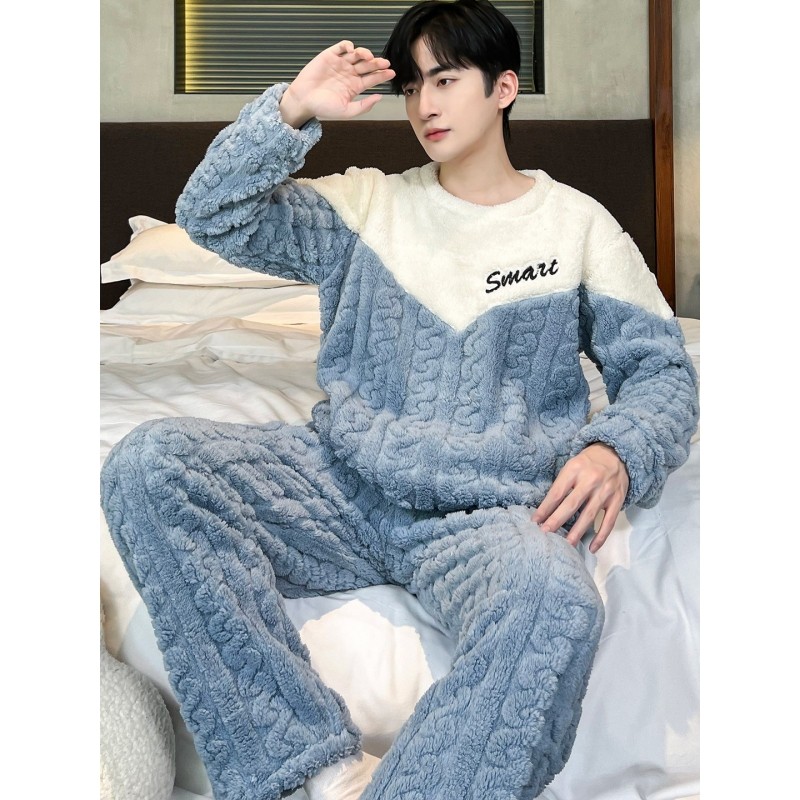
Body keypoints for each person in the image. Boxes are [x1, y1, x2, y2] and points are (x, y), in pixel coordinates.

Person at [100, 1, 699, 798]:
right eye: (413, 85)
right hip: (339, 486)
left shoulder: (577, 225)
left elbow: (661, 369)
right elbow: (211, 215)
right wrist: (292, 109)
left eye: (445, 80)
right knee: (149, 463)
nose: (424, 105)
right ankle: (307, 770)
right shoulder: (365, 205)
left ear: (504, 88)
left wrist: (615, 448)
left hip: (487, 516)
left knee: (555, 597)